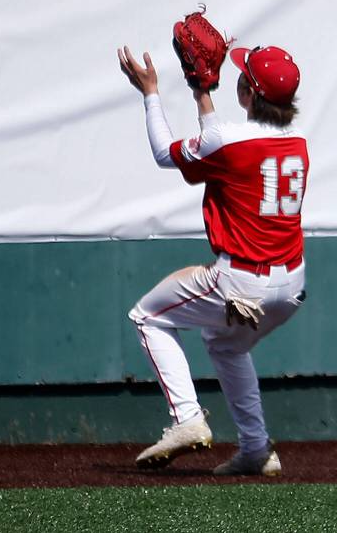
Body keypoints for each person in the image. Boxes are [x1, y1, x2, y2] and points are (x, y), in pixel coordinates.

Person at [117, 31, 308, 477]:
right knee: (224, 346)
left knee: (148, 316)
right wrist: (201, 94)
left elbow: (169, 154)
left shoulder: (229, 142)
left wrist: (151, 94)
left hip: (239, 282)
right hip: (290, 286)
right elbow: (224, 142)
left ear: (246, 92)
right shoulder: (298, 140)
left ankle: (186, 419)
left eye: (243, 76)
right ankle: (257, 449)